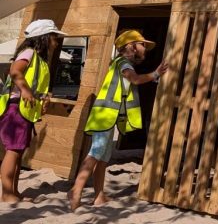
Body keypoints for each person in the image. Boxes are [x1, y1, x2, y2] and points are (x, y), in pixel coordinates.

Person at [69, 30, 168, 210]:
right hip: (104, 115)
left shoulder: (119, 63)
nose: (144, 48)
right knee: (95, 153)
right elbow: (135, 80)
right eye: (142, 44)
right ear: (131, 46)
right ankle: (76, 190)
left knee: (103, 157)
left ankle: (99, 196)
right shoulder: (124, 63)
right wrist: (155, 74)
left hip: (107, 116)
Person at [0, 19, 64, 203]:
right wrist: (26, 91)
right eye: (53, 36)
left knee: (18, 152)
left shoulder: (40, 60)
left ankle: (14, 191)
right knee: (13, 151)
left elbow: (36, 85)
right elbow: (15, 71)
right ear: (43, 37)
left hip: (24, 111)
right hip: (15, 109)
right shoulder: (28, 53)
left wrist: (43, 98)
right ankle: (6, 194)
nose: (56, 41)